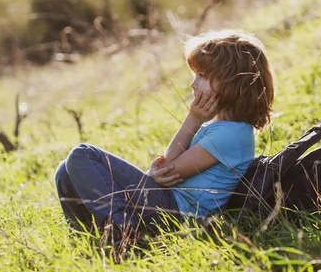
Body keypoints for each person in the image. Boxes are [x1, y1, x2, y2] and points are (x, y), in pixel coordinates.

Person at [54, 29, 275, 235]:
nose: (193, 84)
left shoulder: (232, 135)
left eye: (201, 76)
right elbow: (166, 169)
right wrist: (153, 175)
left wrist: (194, 119)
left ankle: (123, 231)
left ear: (231, 83)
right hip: (168, 206)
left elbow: (168, 171)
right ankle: (92, 232)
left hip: (176, 215)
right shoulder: (222, 128)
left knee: (83, 154)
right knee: (64, 170)